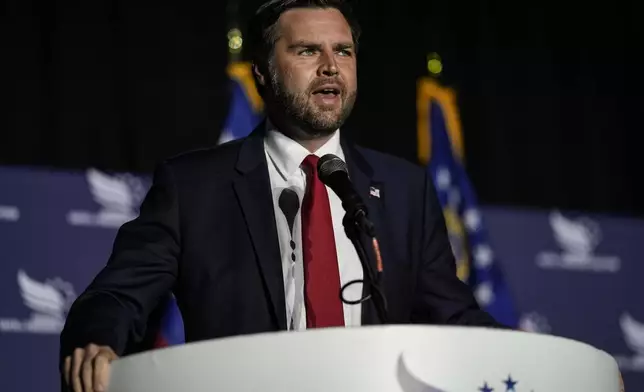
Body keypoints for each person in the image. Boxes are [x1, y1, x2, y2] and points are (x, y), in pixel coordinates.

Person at [60, 0, 504, 391]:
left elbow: (454, 316)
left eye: (343, 51)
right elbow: (115, 297)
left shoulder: (405, 189)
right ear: (262, 73)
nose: (331, 65)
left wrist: (519, 359)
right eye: (308, 50)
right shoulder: (193, 188)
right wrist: (96, 342)